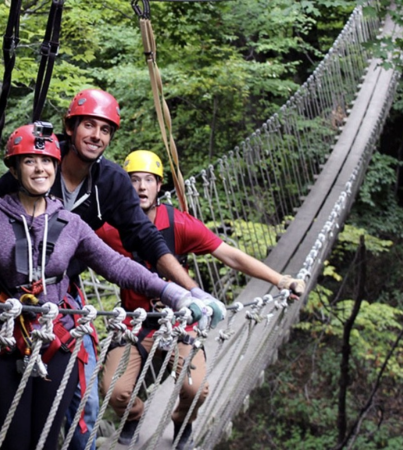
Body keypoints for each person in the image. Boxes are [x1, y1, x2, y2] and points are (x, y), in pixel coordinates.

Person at [0, 125, 214, 450]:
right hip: (5, 340)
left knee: (47, 440)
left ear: (56, 166)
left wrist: (176, 293)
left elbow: (118, 266)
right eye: (29, 161)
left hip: (55, 341)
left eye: (47, 161)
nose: (40, 169)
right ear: (15, 170)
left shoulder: (70, 224)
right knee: (15, 441)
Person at [0, 89, 204, 450]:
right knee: (19, 431)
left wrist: (188, 291)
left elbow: (141, 241)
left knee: (81, 403)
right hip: (12, 308)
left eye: (105, 129)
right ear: (70, 128)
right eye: (88, 125)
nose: (96, 136)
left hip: (63, 303)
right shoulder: (33, 165)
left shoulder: (111, 182)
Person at [96, 150, 306, 449]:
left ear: (159, 186)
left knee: (195, 390)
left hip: (181, 321)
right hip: (136, 322)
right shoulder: (110, 227)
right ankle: (133, 417)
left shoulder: (178, 223)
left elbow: (229, 254)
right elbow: (76, 242)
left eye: (148, 180)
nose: (141, 187)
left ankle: (182, 422)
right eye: (133, 180)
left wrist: (280, 280)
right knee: (115, 391)